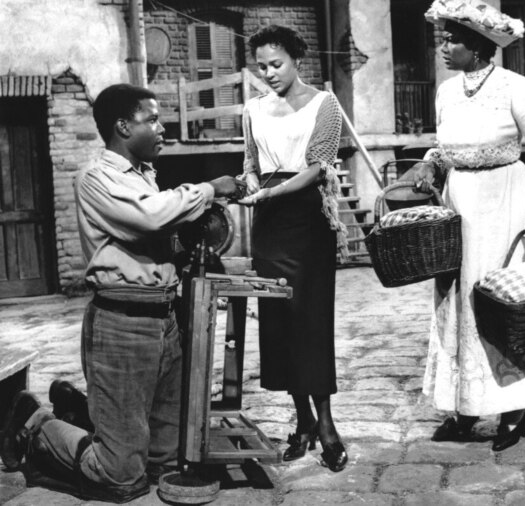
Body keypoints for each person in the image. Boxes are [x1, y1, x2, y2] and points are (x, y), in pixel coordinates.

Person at [0, 83, 246, 502]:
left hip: (164, 321)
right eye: (152, 119)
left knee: (165, 461)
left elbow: (159, 239)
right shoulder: (97, 176)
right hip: (121, 324)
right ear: (122, 127)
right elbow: (150, 218)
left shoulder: (143, 175)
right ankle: (34, 420)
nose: (162, 128)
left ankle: (83, 412)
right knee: (121, 478)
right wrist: (209, 188)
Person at [416, 0, 525, 452]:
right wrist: (430, 164)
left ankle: (514, 408)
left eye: (454, 38)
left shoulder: (517, 89)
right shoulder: (446, 92)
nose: (444, 46)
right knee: (457, 300)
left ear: (481, 47)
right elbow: (445, 146)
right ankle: (464, 408)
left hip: (504, 202)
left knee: (500, 300)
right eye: (444, 37)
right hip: (458, 204)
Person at [237, 25, 348, 472]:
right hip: (269, 228)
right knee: (280, 325)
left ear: (297, 59)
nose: (268, 73)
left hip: (307, 221)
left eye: (276, 64)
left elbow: (317, 169)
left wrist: (266, 194)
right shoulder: (253, 109)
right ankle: (302, 421)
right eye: (261, 66)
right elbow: (250, 164)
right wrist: (250, 185)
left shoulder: (325, 103)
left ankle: (327, 427)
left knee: (311, 323)